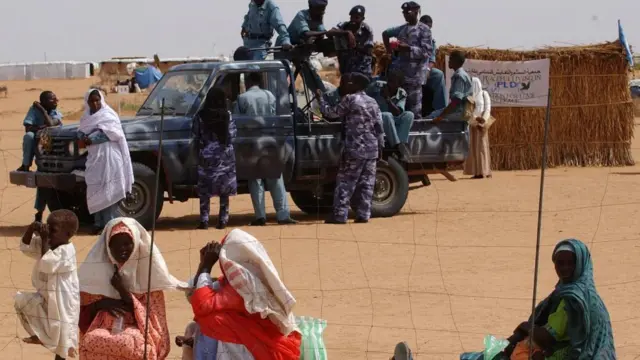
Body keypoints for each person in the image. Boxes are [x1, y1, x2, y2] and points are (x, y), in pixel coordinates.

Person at [463, 239, 617, 360]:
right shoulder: (568, 291)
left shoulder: (574, 299)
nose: (564, 268)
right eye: (560, 263)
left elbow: (548, 338)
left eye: (571, 263)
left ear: (581, 265)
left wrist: (525, 327)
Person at [77, 217, 187, 360]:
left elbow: (153, 318)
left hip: (137, 332)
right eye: (115, 245)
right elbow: (80, 311)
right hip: (102, 331)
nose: (121, 249)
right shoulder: (95, 275)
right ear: (107, 248)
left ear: (136, 244)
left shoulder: (148, 276)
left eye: (127, 243)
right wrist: (100, 304)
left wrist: (122, 290)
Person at [190, 229, 302, 359]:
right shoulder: (258, 281)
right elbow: (194, 295)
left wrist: (206, 266)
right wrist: (202, 266)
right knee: (197, 325)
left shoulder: (242, 286)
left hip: (249, 349)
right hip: (258, 345)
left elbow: (201, 304)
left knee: (211, 321)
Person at [317, 72, 384, 224]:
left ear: (357, 85)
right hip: (371, 149)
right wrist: (380, 147)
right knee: (367, 184)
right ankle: (363, 214)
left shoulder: (350, 99)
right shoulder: (373, 101)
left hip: (355, 148)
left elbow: (331, 113)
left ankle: (339, 215)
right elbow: (379, 126)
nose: (345, 85)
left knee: (346, 182)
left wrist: (320, 98)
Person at [15, 209, 80, 360]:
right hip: (46, 296)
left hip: (63, 301)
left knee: (62, 339)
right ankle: (39, 336)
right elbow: (26, 247)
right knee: (23, 302)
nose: (48, 232)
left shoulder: (67, 250)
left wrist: (45, 239)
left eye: (53, 230)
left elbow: (48, 263)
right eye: (47, 227)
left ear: (68, 234)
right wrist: (31, 229)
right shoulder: (50, 242)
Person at [235, 72, 297, 226]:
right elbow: (275, 116)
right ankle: (283, 215)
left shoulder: (242, 98)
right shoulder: (269, 95)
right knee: (276, 179)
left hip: (251, 143)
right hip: (270, 142)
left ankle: (260, 216)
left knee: (256, 181)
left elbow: (237, 121)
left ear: (248, 82)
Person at [77, 89, 134, 234]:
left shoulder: (109, 115)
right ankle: (98, 223)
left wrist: (90, 139)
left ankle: (110, 224)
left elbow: (112, 133)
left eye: (97, 100)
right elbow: (80, 133)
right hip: (94, 159)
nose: (95, 103)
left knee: (110, 190)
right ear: (87, 102)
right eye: (91, 101)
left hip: (110, 158)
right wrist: (84, 138)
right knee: (95, 189)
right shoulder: (85, 118)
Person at [195, 87, 237, 230]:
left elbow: (196, 134)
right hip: (225, 157)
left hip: (206, 156)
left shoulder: (200, 115)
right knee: (224, 191)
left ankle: (204, 220)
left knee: (205, 191)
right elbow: (232, 135)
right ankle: (223, 220)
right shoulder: (228, 115)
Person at [382, 1, 433, 118]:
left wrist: (409, 48)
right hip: (400, 78)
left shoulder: (424, 30)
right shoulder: (402, 29)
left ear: (416, 12)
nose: (405, 15)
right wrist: (390, 51)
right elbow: (385, 33)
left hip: (415, 78)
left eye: (408, 12)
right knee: (398, 110)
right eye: (404, 12)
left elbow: (427, 52)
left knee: (414, 112)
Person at [366, 69, 414, 160]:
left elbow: (398, 112)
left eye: (393, 82)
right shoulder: (376, 86)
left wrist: (387, 99)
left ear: (399, 84)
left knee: (409, 115)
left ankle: (401, 144)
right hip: (376, 118)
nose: (389, 83)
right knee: (387, 115)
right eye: (389, 80)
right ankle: (396, 146)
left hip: (392, 119)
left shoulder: (402, 93)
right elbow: (363, 95)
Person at [18, 91, 63, 172]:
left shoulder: (55, 112)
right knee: (29, 136)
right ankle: (25, 165)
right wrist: (42, 128)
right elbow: (28, 128)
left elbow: (51, 124)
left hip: (53, 139)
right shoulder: (34, 110)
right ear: (44, 101)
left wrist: (42, 110)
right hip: (38, 138)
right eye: (53, 99)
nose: (57, 100)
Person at [428, 50, 473, 122]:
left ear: (456, 61)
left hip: (458, 112)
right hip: (460, 111)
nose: (449, 61)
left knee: (430, 118)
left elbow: (456, 101)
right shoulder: (463, 74)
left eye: (451, 59)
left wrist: (441, 116)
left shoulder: (459, 76)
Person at [464, 77, 495, 179]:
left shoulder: (484, 94)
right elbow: (468, 112)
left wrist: (483, 119)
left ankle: (485, 171)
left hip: (482, 125)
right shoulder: (469, 97)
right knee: (474, 148)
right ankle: (477, 172)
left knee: (482, 147)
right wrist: (476, 118)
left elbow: (487, 108)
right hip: (473, 124)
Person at [332, 5, 375, 79]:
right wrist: (346, 32)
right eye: (352, 17)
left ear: (362, 19)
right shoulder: (344, 26)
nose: (353, 20)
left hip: (362, 67)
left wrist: (355, 45)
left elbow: (368, 50)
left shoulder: (366, 30)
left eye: (357, 18)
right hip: (346, 65)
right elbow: (330, 32)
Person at [419, 15, 447, 116]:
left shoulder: (431, 41)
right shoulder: (411, 36)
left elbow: (432, 60)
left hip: (424, 70)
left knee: (438, 75)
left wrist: (427, 70)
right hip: (410, 69)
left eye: (429, 28)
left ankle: (441, 110)